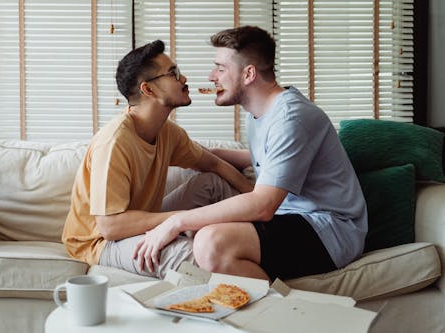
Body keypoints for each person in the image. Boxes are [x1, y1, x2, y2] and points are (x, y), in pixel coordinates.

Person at [134, 26, 368, 282]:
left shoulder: (292, 118)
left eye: (220, 68)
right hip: (292, 218)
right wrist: (204, 155)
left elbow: (263, 206)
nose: (212, 76)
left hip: (330, 229)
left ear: (248, 73)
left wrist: (175, 222)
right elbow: (270, 157)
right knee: (204, 211)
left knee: (211, 242)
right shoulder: (260, 113)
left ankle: (280, 313)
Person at [62, 40, 253, 279]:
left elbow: (212, 163)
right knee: (195, 256)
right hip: (99, 242)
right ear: (148, 90)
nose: (183, 79)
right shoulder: (114, 143)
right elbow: (111, 227)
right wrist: (181, 221)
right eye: (173, 74)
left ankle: (263, 236)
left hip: (138, 221)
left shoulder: (167, 133)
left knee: (211, 182)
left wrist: (261, 201)